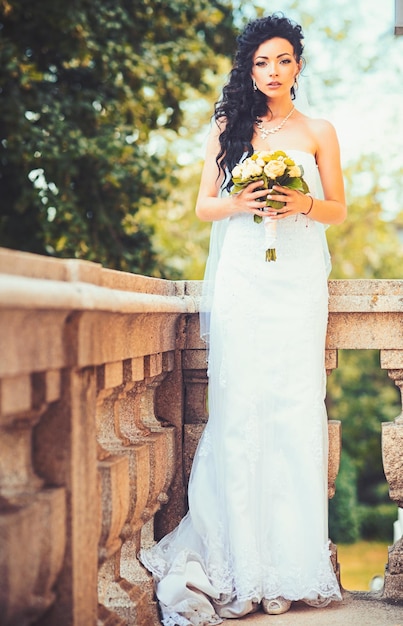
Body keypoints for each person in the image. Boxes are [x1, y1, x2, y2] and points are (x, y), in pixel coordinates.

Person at [140, 13, 347, 625]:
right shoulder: (229, 126)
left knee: (292, 405)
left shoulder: (319, 131)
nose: (273, 71)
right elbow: (205, 205)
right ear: (250, 69)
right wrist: (243, 199)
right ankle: (238, 560)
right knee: (241, 407)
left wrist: (301, 201)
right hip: (244, 279)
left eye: (283, 60)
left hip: (298, 282)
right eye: (262, 62)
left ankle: (288, 564)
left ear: (299, 66)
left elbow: (337, 207)